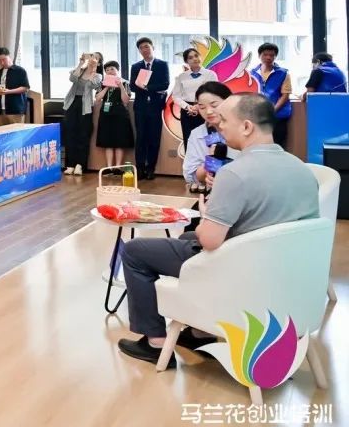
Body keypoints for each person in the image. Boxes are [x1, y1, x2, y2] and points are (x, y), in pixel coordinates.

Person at [117, 93, 319, 367]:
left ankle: (155, 342)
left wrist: (207, 215)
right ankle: (199, 331)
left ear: (246, 126)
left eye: (224, 120)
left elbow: (210, 240)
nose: (218, 125)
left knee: (134, 251)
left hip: (238, 269)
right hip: (284, 270)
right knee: (187, 237)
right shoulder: (302, 169)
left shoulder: (234, 173)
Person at [182, 81, 237, 194]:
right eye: (202, 107)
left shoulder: (243, 128)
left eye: (214, 105)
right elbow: (190, 175)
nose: (208, 111)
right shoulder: (197, 133)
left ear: (229, 102)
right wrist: (211, 162)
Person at [130, 37, 170, 180]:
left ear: (153, 47)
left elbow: (165, 84)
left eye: (146, 46)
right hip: (140, 107)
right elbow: (132, 86)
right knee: (141, 138)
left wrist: (147, 87)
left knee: (154, 138)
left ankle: (151, 168)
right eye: (141, 48)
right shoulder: (136, 66)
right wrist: (141, 86)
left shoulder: (162, 64)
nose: (144, 50)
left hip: (155, 106)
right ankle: (140, 168)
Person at [62, 52, 103, 175]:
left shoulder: (98, 75)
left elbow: (93, 85)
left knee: (83, 134)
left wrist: (93, 70)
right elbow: (72, 78)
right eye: (91, 56)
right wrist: (81, 63)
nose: (92, 58)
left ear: (99, 62)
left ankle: (80, 165)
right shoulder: (80, 70)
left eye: (95, 58)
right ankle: (70, 164)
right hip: (71, 103)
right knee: (70, 133)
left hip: (85, 106)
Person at [171, 47, 217, 150]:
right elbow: (176, 96)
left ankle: (210, 160)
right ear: (186, 61)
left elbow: (214, 93)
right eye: (190, 57)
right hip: (188, 112)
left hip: (207, 110)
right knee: (189, 142)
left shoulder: (210, 74)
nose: (194, 59)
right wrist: (188, 107)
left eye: (196, 56)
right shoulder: (181, 76)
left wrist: (199, 106)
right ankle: (191, 161)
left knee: (210, 143)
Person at [248, 42, 293, 148]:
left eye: (272, 55)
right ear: (259, 55)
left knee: (277, 144)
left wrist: (273, 110)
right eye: (265, 54)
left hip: (278, 116)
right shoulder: (251, 73)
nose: (268, 57)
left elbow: (285, 95)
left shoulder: (283, 73)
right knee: (258, 145)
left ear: (275, 56)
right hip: (257, 116)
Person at [94, 61, 134, 170]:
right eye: (107, 70)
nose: (109, 71)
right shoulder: (103, 83)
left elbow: (126, 100)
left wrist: (120, 86)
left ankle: (118, 167)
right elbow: (97, 98)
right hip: (106, 114)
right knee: (108, 142)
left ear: (117, 70)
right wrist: (107, 87)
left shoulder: (125, 83)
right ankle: (109, 168)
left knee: (119, 142)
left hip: (120, 114)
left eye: (112, 69)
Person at [0, 47, 30, 126]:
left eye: (4, 59)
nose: (2, 63)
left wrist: (9, 91)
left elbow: (25, 88)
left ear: (9, 56)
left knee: (17, 132)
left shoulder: (20, 71)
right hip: (1, 109)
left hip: (15, 109)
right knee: (2, 132)